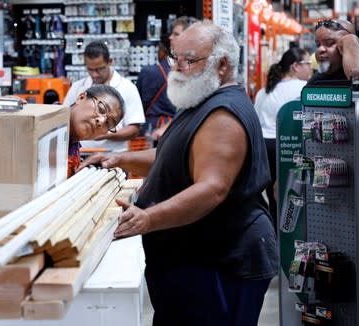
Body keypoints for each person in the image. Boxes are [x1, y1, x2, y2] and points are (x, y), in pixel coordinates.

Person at [81, 21, 278, 325]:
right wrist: (119, 160)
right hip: (195, 264)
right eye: (175, 58)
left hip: (220, 265)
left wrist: (148, 218)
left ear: (222, 65)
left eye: (189, 60)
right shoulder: (199, 102)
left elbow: (212, 189)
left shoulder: (223, 114)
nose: (176, 68)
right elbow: (170, 156)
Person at [254, 47, 313, 229]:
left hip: (264, 147)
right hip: (287, 145)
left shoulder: (263, 91)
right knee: (291, 193)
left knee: (273, 198)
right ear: (295, 66)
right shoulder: (302, 88)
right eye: (307, 64)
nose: (311, 68)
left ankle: (274, 235)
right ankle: (290, 234)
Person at [63, 40, 145, 152]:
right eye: (90, 69)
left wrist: (104, 135)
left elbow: (134, 129)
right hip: (80, 153)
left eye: (99, 69)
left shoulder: (128, 88)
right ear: (81, 97)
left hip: (112, 154)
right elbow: (63, 116)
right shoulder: (78, 87)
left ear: (110, 61)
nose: (94, 74)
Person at [67, 84, 124, 178]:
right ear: (81, 98)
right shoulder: (44, 126)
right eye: (101, 109)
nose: (101, 121)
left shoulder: (73, 151)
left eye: (108, 124)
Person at [309, 19, 359, 85]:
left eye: (329, 43)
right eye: (318, 45)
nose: (320, 49)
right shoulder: (317, 80)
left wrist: (349, 40)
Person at [136, 34, 176, 143]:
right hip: (174, 127)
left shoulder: (148, 72)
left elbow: (139, 104)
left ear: (162, 49)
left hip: (150, 128)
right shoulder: (183, 72)